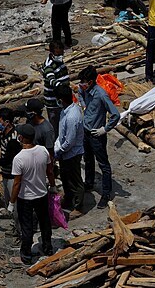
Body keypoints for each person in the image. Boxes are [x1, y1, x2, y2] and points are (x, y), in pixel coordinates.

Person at [10, 124, 56, 265]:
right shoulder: (43, 151)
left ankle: (26, 254)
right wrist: (53, 186)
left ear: (21, 137)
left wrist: (12, 203)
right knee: (44, 222)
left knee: (27, 227)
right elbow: (49, 171)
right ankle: (48, 247)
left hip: (26, 198)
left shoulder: (19, 158)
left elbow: (17, 183)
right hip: (42, 194)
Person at [78, 66, 120, 209]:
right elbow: (79, 94)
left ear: (90, 82)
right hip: (86, 132)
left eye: (83, 82)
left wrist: (105, 129)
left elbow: (116, 114)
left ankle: (106, 193)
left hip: (97, 135)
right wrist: (83, 105)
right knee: (88, 159)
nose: (81, 84)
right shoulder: (84, 89)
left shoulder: (101, 94)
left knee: (103, 165)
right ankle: (89, 183)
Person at [53, 85, 84, 220]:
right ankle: (69, 198)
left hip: (72, 153)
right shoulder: (66, 110)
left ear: (61, 99)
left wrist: (58, 151)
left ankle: (78, 207)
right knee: (65, 177)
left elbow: (69, 142)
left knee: (75, 180)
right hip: (65, 152)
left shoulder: (72, 116)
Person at [41, 40, 69, 137]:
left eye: (62, 53)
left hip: (62, 99)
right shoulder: (49, 66)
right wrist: (63, 89)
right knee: (56, 126)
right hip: (53, 102)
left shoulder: (59, 61)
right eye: (58, 54)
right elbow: (52, 81)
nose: (61, 55)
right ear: (52, 53)